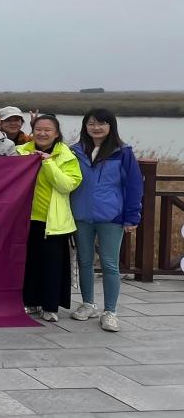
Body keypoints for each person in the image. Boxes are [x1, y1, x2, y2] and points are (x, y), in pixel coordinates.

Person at [69, 109, 144, 332]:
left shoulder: (123, 152)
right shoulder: (75, 151)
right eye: (91, 123)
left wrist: (132, 216)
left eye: (101, 123)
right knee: (84, 261)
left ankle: (110, 311)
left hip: (111, 215)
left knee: (110, 264)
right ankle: (88, 304)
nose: (96, 128)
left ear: (111, 126)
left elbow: (134, 185)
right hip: (81, 214)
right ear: (85, 126)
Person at [18, 115, 82, 322]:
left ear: (56, 133)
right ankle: (29, 301)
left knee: (52, 265)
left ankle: (50, 306)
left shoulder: (67, 156)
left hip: (54, 220)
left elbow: (67, 185)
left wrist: (48, 163)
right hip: (25, 218)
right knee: (29, 263)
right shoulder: (20, 152)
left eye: (48, 130)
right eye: (38, 129)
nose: (42, 133)